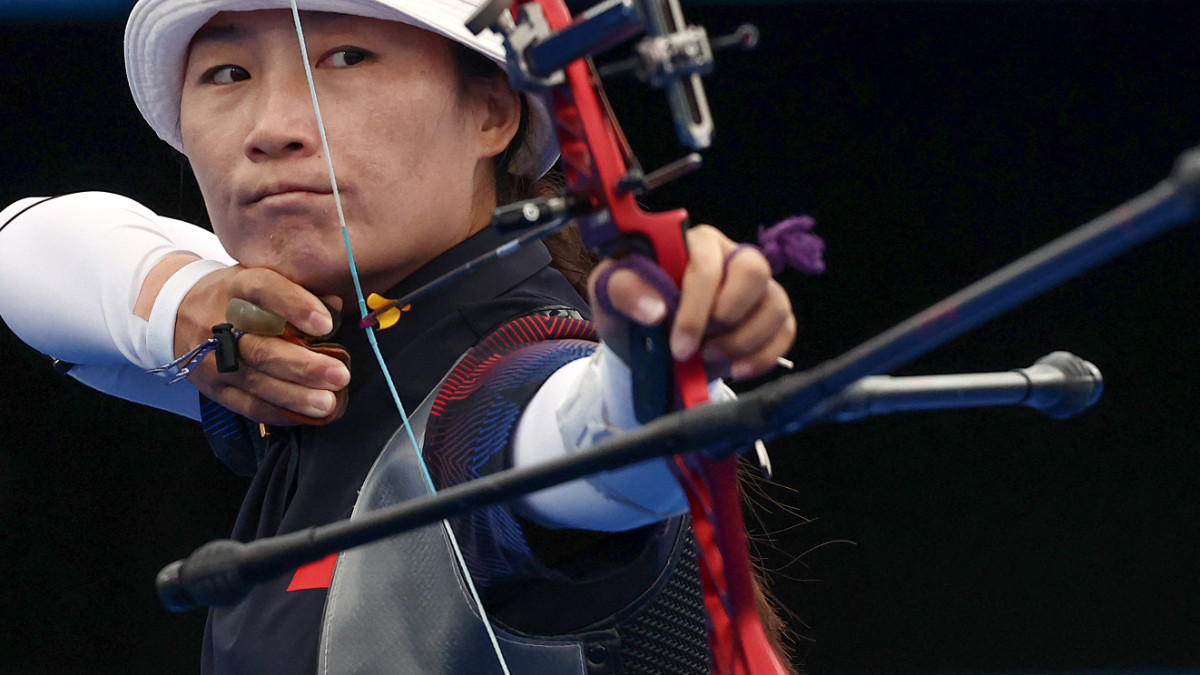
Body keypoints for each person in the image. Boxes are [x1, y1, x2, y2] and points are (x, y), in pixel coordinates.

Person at [0, 0, 798, 672]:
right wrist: (187, 298)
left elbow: (582, 437)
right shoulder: (301, 358)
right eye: (228, 75)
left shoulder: (509, 377)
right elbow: (21, 245)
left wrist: (658, 367)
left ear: (491, 110)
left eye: (347, 58)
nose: (273, 127)